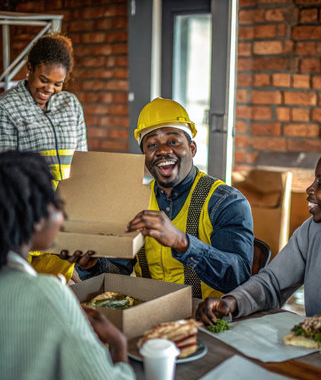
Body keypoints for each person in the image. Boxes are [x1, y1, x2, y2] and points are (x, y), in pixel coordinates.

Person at [0, 151, 137, 380]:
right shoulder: (47, 295)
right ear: (34, 218)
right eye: (56, 203)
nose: (63, 215)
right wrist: (118, 343)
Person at [76, 97, 254, 300]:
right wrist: (91, 265)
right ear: (144, 156)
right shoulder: (134, 200)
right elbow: (118, 273)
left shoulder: (225, 201)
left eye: (173, 142)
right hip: (149, 314)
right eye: (152, 145)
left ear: (192, 149)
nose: (162, 151)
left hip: (208, 318)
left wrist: (183, 242)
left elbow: (239, 278)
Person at [0, 32, 88, 281]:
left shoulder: (71, 105)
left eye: (57, 84)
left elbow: (83, 160)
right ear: (29, 68)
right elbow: (6, 175)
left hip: (67, 215)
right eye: (43, 79)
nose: (49, 89)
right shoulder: (7, 108)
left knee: (63, 286)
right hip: (30, 220)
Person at [196, 156, 321, 324]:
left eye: (320, 183)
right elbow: (273, 283)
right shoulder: (311, 230)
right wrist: (232, 301)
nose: (310, 189)